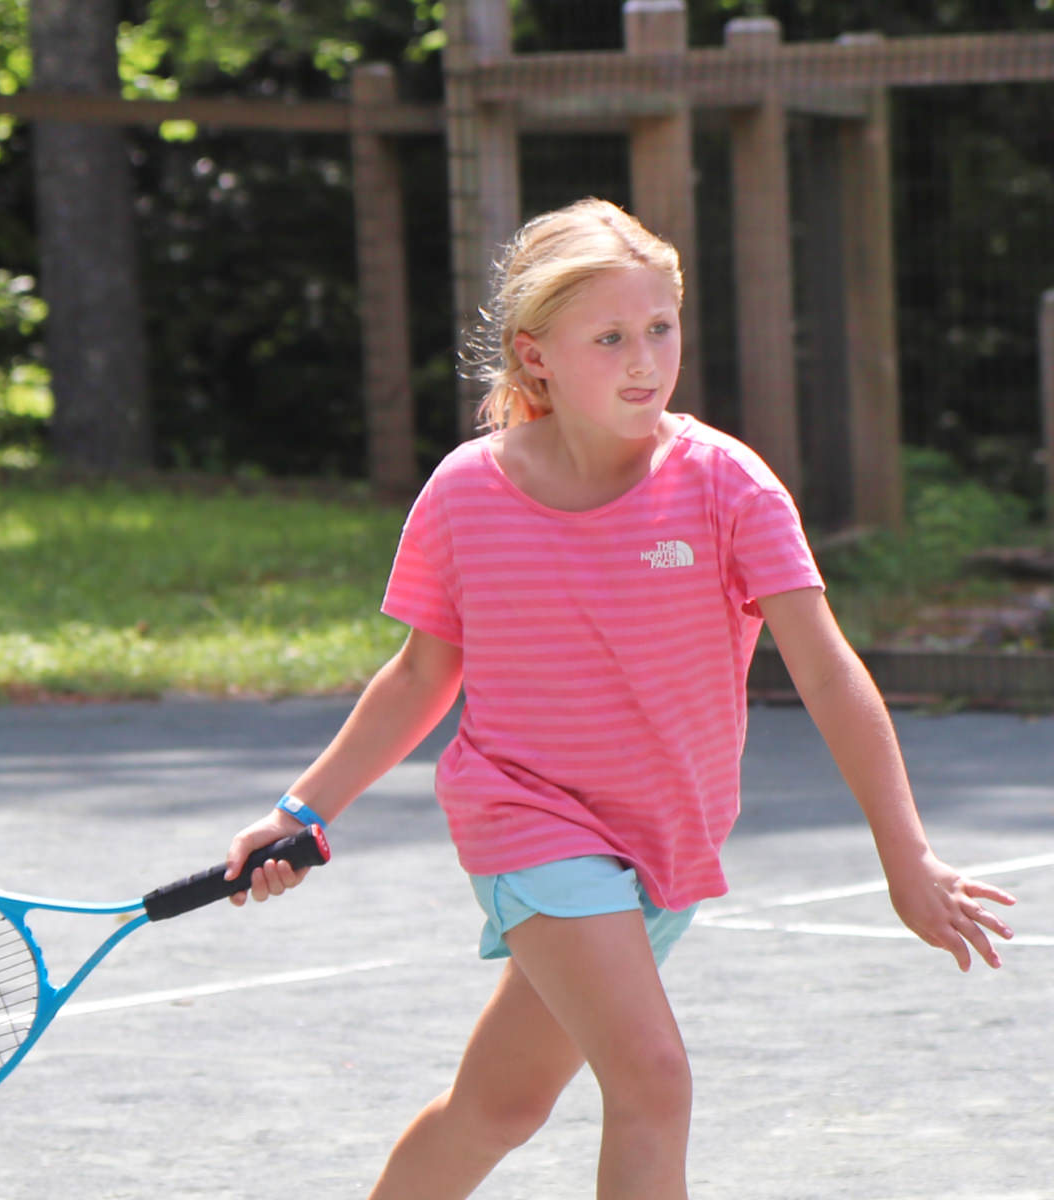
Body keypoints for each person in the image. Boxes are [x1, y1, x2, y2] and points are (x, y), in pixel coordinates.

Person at [223, 197, 1017, 1200]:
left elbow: (826, 670)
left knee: (496, 1110)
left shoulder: (729, 487)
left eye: (660, 329)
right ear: (536, 354)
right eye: (609, 338)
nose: (645, 360)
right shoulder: (466, 493)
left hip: (667, 840)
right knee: (654, 1079)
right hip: (528, 818)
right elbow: (424, 675)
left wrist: (909, 859)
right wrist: (302, 810)